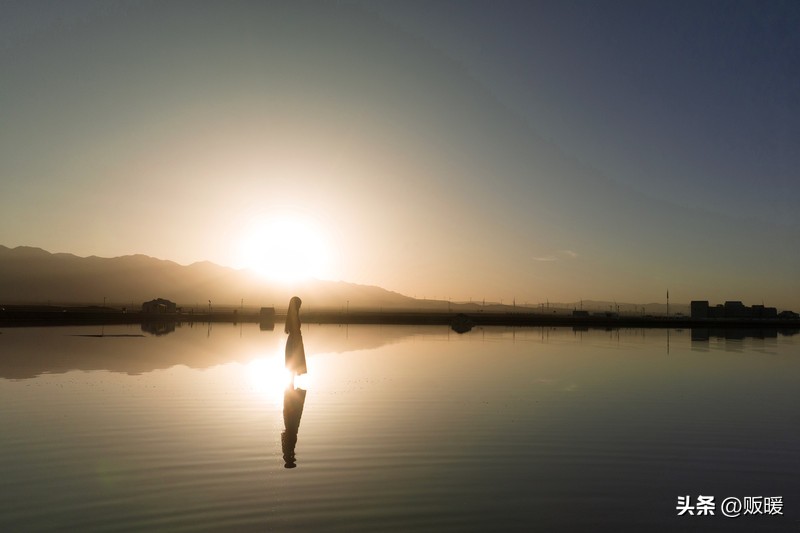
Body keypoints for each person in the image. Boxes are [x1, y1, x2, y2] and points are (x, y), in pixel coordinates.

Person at [284, 296, 307, 376]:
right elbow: (295, 329)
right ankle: (291, 386)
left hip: (293, 340)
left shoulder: (291, 316)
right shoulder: (294, 316)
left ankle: (291, 385)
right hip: (295, 340)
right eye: (299, 304)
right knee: (294, 362)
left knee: (293, 363)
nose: (300, 306)